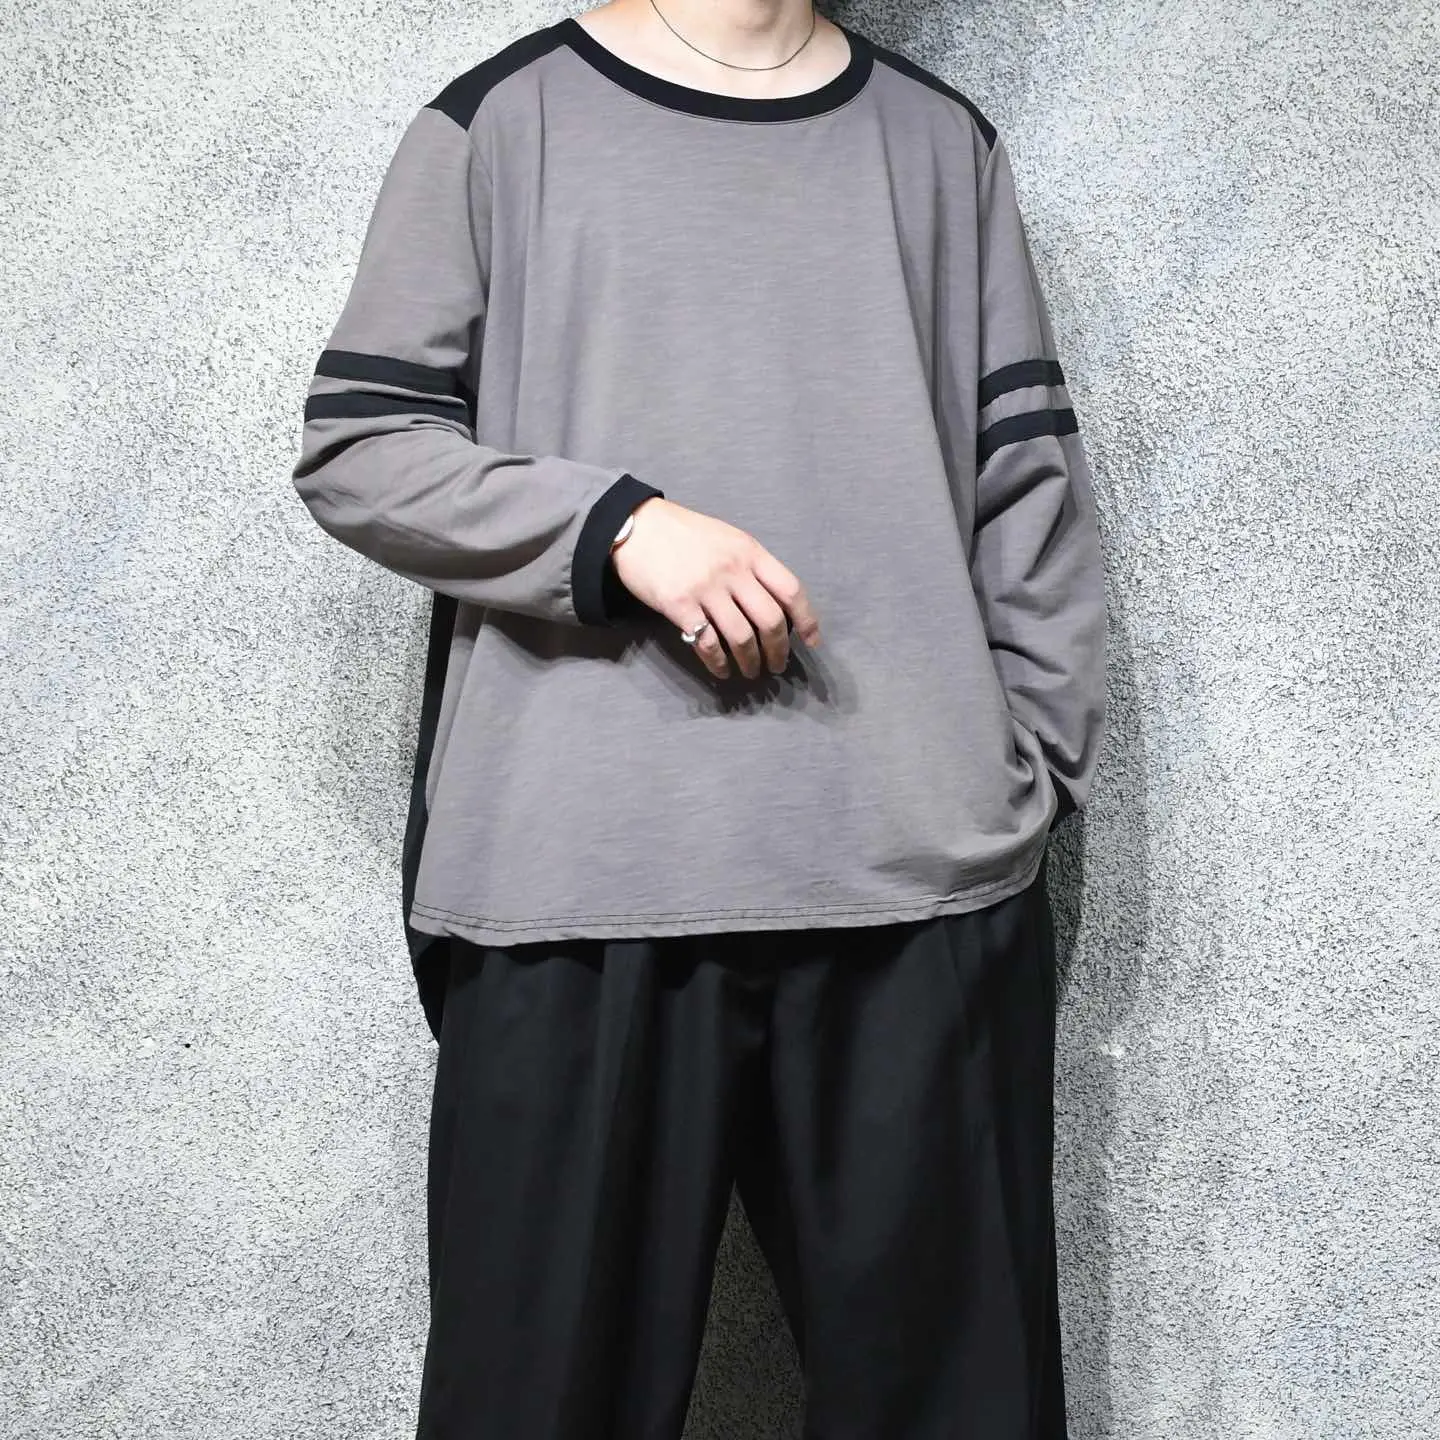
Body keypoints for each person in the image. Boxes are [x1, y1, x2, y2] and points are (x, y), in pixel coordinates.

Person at [290, 0, 1107, 1433]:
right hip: (575, 893)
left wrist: (1014, 781)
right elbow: (361, 446)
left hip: (919, 895)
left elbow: (1026, 493)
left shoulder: (940, 144)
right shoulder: (499, 124)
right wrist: (618, 528)